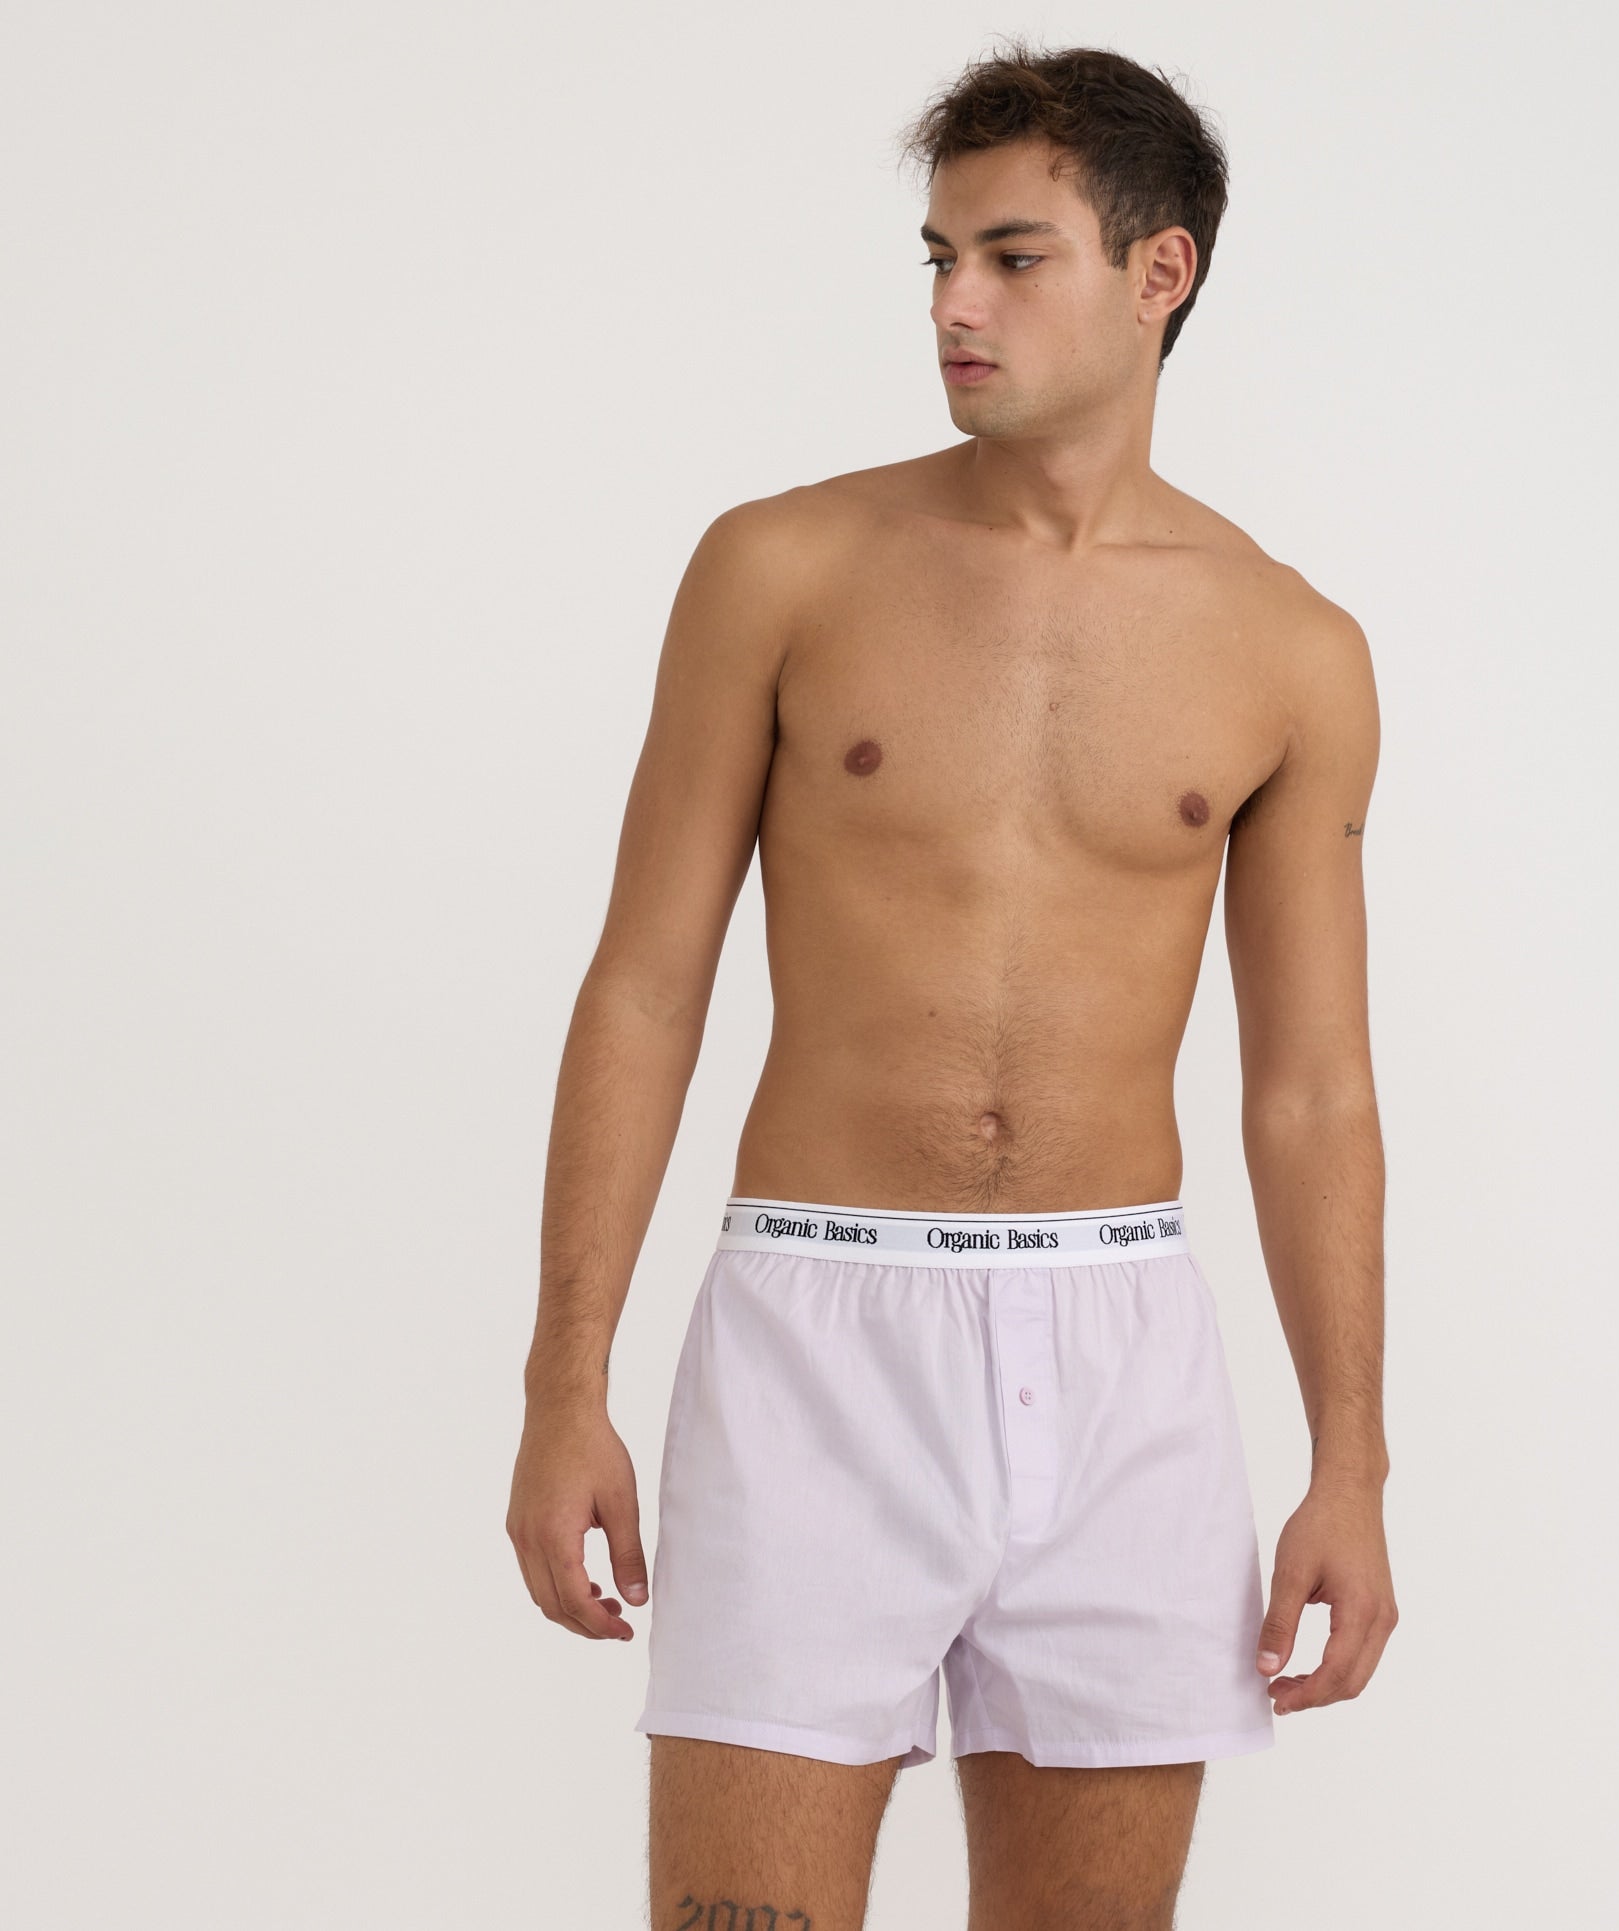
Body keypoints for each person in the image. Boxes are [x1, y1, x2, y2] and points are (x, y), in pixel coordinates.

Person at [506, 39, 1394, 1930]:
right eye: (936, 259)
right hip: (815, 1336)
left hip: (1123, 1356)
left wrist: (1353, 1464)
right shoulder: (782, 568)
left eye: (1011, 257)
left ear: (1159, 273)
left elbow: (1311, 1085)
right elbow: (644, 990)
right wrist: (562, 1384)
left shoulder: (1292, 649)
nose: (953, 307)